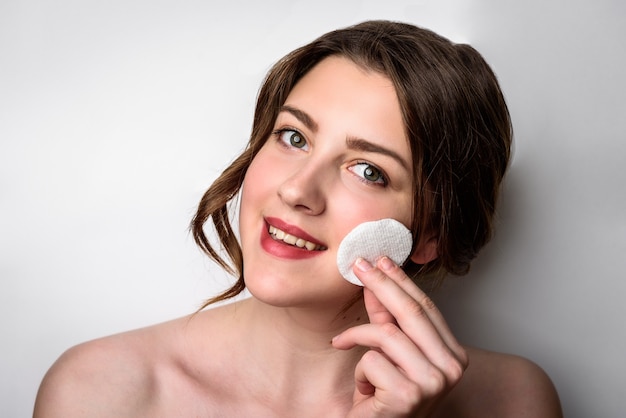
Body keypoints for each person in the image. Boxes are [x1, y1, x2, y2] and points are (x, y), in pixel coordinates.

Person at [34, 20, 563, 417]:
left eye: (367, 170)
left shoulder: (514, 401)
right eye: (293, 137)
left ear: (429, 235)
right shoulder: (101, 392)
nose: (296, 189)